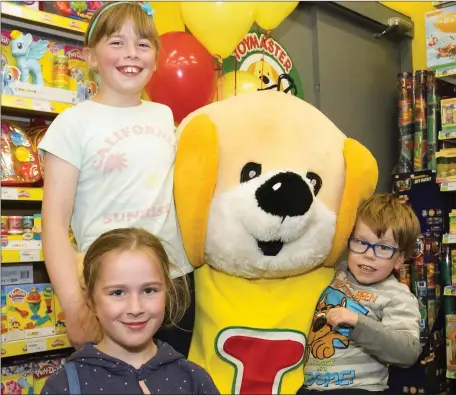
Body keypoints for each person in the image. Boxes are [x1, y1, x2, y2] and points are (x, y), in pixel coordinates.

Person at [38, 1, 194, 354]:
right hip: (109, 288)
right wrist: (75, 305)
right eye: (116, 43)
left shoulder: (163, 115)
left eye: (142, 44)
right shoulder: (73, 124)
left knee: (174, 380)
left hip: (174, 281)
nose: (131, 54)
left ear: (155, 56)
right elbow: (53, 223)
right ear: (91, 57)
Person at [40, 228, 219, 395]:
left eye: (149, 290)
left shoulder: (193, 379)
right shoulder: (64, 385)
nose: (135, 308)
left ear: (168, 292)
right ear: (91, 301)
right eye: (118, 293)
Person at [301, 193, 422, 394]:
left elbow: (408, 351)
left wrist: (358, 323)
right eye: (361, 242)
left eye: (383, 247)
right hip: (307, 387)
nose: (368, 254)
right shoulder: (333, 274)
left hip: (358, 389)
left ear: (400, 260)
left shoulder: (397, 296)